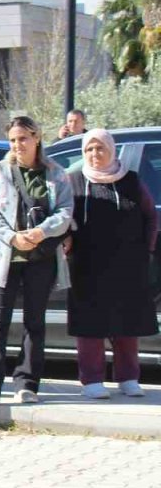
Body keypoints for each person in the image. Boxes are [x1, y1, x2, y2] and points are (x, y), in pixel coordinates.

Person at [0, 116, 73, 406]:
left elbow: (66, 211)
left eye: (23, 139)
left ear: (37, 138)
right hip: (4, 257)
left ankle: (27, 384)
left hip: (41, 258)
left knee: (34, 323)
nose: (18, 145)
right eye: (13, 140)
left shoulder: (57, 173)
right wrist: (11, 237)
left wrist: (42, 231)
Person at [66, 129, 158, 399]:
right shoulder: (73, 181)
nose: (95, 154)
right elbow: (63, 217)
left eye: (100, 148)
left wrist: (147, 250)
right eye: (89, 150)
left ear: (111, 150)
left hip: (128, 265)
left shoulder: (130, 180)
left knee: (127, 322)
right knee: (90, 324)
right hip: (87, 265)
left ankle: (128, 378)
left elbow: (151, 217)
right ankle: (92, 380)